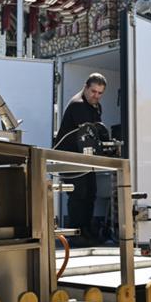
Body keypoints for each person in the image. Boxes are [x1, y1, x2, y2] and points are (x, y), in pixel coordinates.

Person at [53, 73, 107, 246]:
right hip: (71, 157)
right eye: (93, 91)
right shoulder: (79, 105)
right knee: (79, 195)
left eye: (100, 93)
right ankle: (76, 234)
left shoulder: (96, 106)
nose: (96, 96)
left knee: (90, 193)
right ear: (85, 87)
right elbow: (89, 133)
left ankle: (86, 231)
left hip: (84, 159)